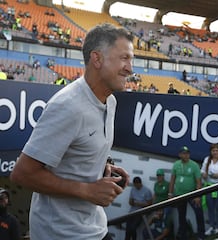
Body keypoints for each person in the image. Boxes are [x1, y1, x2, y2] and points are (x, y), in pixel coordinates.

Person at [10, 23, 133, 240]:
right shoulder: (68, 106)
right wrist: (88, 191)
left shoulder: (110, 102)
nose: (130, 68)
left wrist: (102, 167)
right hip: (60, 234)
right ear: (97, 59)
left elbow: (76, 153)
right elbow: (22, 173)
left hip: (94, 228)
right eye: (124, 58)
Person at [168, 146, 205, 240]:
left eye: (187, 153)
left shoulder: (194, 165)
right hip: (179, 194)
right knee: (181, 215)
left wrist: (197, 195)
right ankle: (183, 236)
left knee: (199, 213)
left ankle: (201, 235)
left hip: (192, 194)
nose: (186, 155)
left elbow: (198, 181)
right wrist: (170, 193)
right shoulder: (176, 164)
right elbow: (172, 179)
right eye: (184, 153)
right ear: (180, 154)